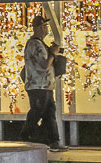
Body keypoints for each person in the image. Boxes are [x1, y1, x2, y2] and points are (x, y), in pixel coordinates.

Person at [19, 13, 67, 152]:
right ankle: (25, 135)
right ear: (38, 28)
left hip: (45, 86)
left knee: (49, 113)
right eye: (44, 26)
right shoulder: (36, 44)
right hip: (38, 86)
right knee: (37, 111)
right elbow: (44, 64)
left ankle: (54, 141)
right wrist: (53, 53)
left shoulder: (39, 44)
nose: (46, 29)